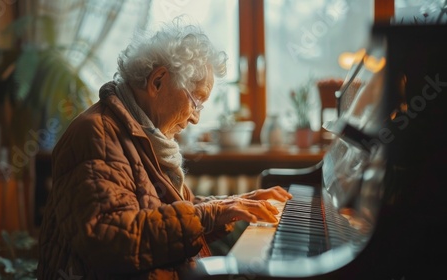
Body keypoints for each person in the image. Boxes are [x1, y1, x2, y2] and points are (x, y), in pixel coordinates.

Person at [37, 17, 292, 279]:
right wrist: (210, 213)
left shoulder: (140, 131)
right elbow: (108, 239)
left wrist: (230, 205)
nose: (195, 118)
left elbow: (175, 211)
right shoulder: (97, 133)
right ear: (157, 81)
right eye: (196, 100)